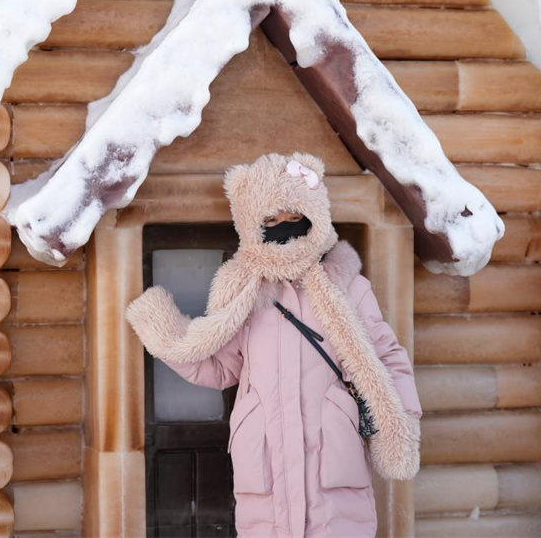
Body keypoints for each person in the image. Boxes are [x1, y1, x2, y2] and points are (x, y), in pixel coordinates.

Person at [126, 152, 422, 537]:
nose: (283, 227)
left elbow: (386, 357)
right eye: (270, 220)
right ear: (252, 223)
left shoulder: (346, 285)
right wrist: (169, 339)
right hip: (265, 470)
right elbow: (221, 367)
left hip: (333, 473)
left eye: (293, 216)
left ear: (313, 214)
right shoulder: (242, 292)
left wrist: (400, 426)